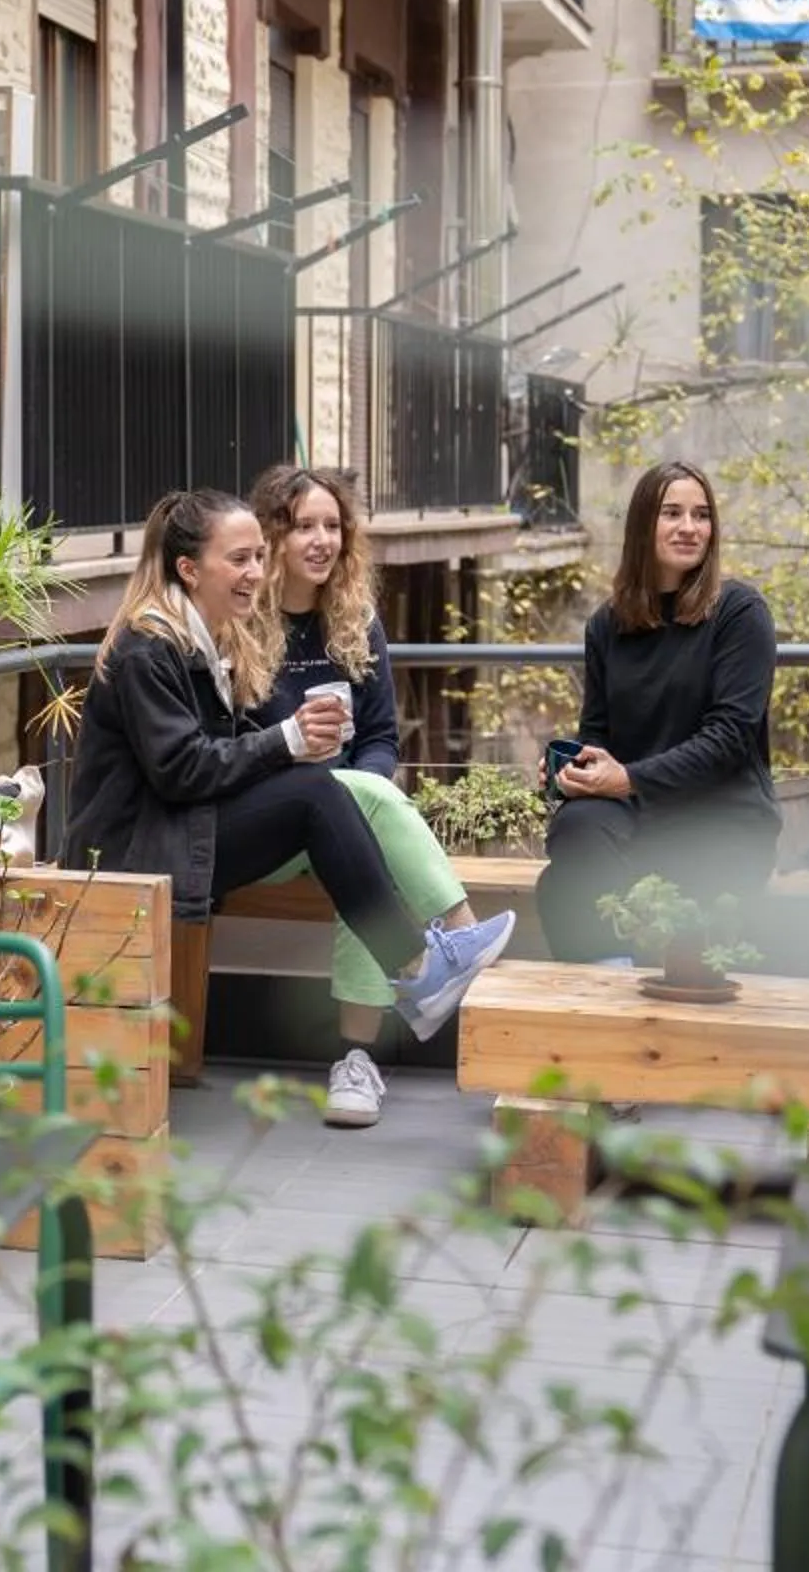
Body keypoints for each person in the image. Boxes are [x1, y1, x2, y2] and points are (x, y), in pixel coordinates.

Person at [63, 488, 518, 1053]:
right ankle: (427, 960)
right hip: (138, 850)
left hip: (182, 828)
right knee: (316, 795)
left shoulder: (201, 635)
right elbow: (181, 770)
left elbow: (219, 750)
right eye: (239, 559)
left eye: (258, 556)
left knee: (329, 793)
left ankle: (426, 966)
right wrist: (286, 741)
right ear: (188, 568)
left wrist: (291, 745)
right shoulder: (148, 650)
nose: (256, 572)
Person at [248, 462, 481, 1127]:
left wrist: (365, 786)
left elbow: (381, 737)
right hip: (266, 824)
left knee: (356, 828)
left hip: (343, 815)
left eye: (332, 526)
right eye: (303, 527)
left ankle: (356, 1062)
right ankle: (459, 941)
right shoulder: (243, 626)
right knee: (349, 813)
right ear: (273, 538)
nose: (321, 540)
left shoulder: (357, 622)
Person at [535, 460, 781, 961]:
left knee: (562, 890)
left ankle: (617, 979)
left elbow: (730, 738)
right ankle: (618, 977)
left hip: (720, 816)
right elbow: (598, 735)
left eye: (701, 514)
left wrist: (626, 779)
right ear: (643, 524)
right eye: (672, 513)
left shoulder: (739, 613)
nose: (689, 528)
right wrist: (575, 773)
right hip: (642, 814)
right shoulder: (608, 625)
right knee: (574, 826)